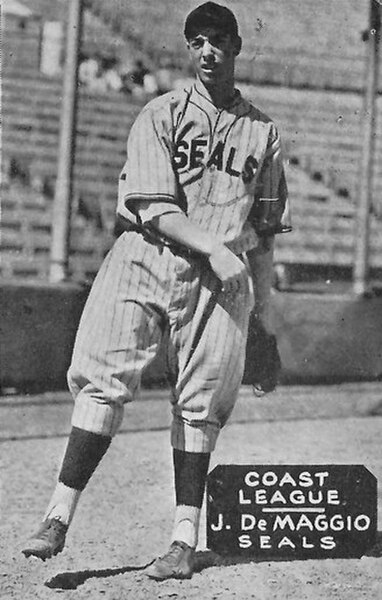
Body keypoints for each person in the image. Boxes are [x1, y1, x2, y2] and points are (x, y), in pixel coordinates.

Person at [21, 2, 291, 580]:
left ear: (237, 46)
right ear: (188, 49)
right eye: (196, 41)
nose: (207, 52)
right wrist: (216, 249)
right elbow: (151, 205)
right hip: (148, 253)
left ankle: (183, 541)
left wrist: (264, 319)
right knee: (102, 376)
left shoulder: (264, 133)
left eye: (218, 40)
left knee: (201, 405)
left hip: (220, 279)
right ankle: (56, 517)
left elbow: (264, 239)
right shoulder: (161, 113)